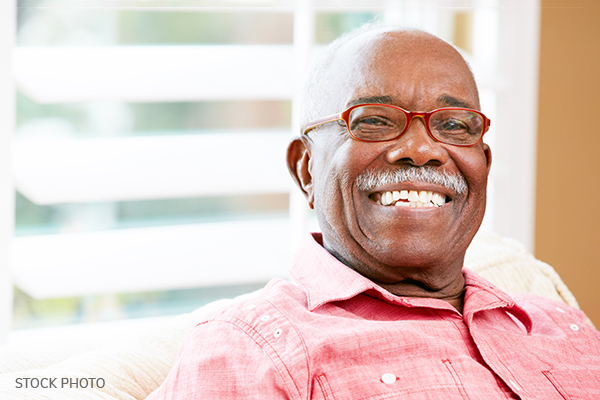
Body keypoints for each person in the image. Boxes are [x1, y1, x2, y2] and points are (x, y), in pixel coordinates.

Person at [147, 23, 600, 399]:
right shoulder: (249, 349)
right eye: (374, 121)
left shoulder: (561, 322)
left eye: (454, 125)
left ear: (484, 165)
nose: (422, 150)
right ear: (305, 169)